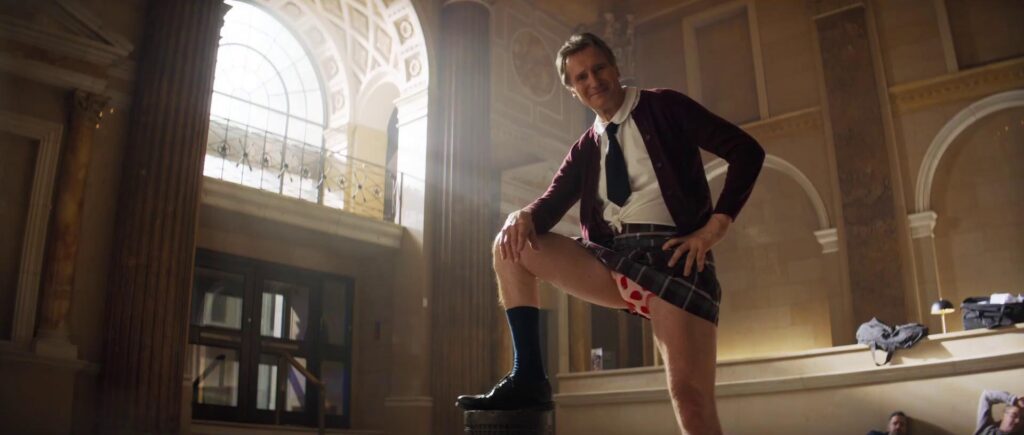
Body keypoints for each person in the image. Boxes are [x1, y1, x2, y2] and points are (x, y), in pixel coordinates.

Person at [455, 32, 764, 435]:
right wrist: (522, 214)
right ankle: (528, 378)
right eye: (581, 77)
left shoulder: (665, 106)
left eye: (598, 68)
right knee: (509, 245)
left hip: (675, 258)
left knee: (690, 399)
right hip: (612, 259)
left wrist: (713, 229)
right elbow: (547, 207)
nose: (593, 81)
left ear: (616, 68)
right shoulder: (585, 148)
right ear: (573, 90)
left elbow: (747, 151)